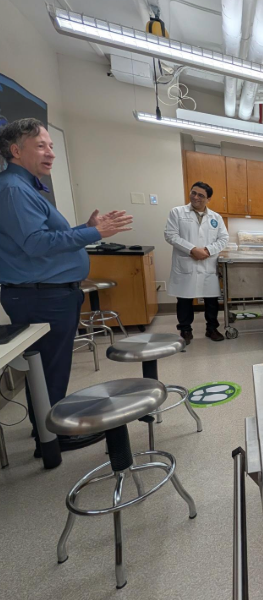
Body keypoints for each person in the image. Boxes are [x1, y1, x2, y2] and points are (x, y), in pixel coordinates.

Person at [0, 118, 133, 455]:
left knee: (49, 368)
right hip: (41, 295)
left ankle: (46, 430)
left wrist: (85, 228)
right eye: (41, 146)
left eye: (51, 146)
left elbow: (43, 238)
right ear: (16, 150)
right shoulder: (14, 189)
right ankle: (51, 439)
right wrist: (94, 233)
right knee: (49, 368)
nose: (50, 153)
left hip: (46, 293)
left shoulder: (25, 188)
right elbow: (35, 243)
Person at [165, 181, 229, 344]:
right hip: (187, 261)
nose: (195, 197)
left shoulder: (216, 217)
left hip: (208, 262)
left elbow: (223, 239)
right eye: (193, 193)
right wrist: (192, 249)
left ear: (208, 199)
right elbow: (170, 235)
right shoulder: (177, 212)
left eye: (201, 195)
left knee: (211, 299)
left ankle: (212, 328)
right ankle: (185, 330)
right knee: (184, 299)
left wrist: (207, 250)